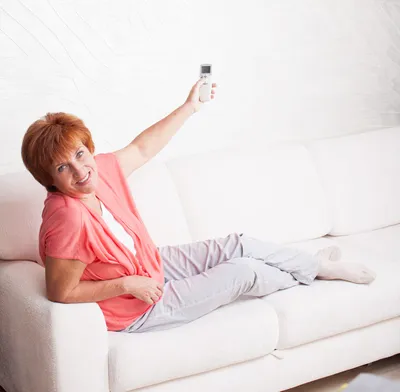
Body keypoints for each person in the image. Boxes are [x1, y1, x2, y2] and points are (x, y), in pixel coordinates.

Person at [21, 79, 375, 334]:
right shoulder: (66, 216)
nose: (81, 170)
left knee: (241, 243)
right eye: (63, 167)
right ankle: (309, 275)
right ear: (49, 178)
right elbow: (61, 291)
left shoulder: (102, 171)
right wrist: (128, 284)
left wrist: (189, 106)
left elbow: (143, 147)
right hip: (136, 308)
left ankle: (314, 267)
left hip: (151, 264)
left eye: (80, 154)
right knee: (244, 271)